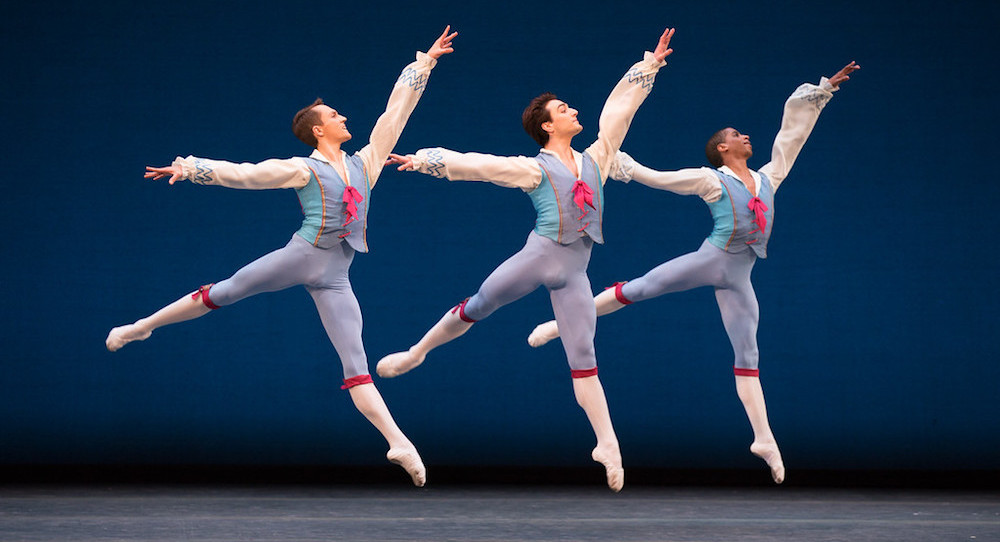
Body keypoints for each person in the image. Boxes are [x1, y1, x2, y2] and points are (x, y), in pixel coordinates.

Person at [104, 26, 460, 487]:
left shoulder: (365, 162)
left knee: (356, 362)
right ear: (318, 129)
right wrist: (190, 169)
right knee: (228, 290)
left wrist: (424, 63)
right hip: (302, 256)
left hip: (337, 274)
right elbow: (245, 175)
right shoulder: (302, 168)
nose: (342, 116)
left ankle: (399, 442)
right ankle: (141, 327)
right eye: (334, 114)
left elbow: (396, 114)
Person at [527, 61, 861, 484]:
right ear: (722, 149)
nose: (746, 137)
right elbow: (664, 179)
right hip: (712, 259)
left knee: (749, 355)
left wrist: (820, 92)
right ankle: (560, 324)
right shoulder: (712, 181)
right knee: (642, 287)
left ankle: (765, 439)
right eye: (737, 135)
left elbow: (790, 138)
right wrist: (623, 166)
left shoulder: (768, 179)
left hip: (741, 276)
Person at [374, 28, 676, 492]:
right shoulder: (534, 167)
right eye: (563, 109)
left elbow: (619, 111)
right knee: (478, 305)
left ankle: (608, 444)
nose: (574, 110)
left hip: (575, 271)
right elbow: (480, 164)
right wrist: (423, 160)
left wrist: (648, 67)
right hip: (538, 257)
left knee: (584, 357)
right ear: (547, 127)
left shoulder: (599, 157)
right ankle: (417, 353)